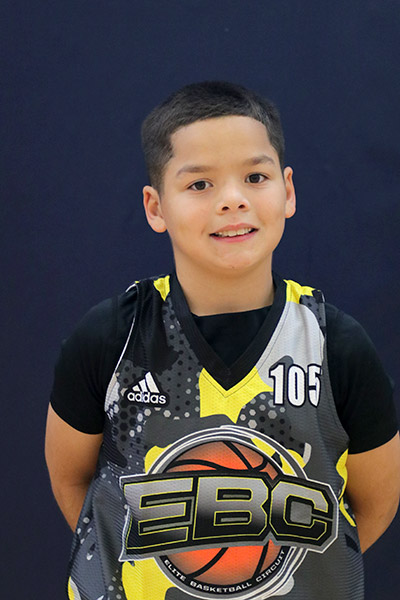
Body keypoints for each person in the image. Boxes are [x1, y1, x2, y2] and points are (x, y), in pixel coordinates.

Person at [45, 81, 400, 600]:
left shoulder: (335, 346)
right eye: (200, 184)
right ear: (155, 207)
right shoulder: (112, 337)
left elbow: (376, 501)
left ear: (288, 191)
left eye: (255, 177)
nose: (233, 200)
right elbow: (70, 480)